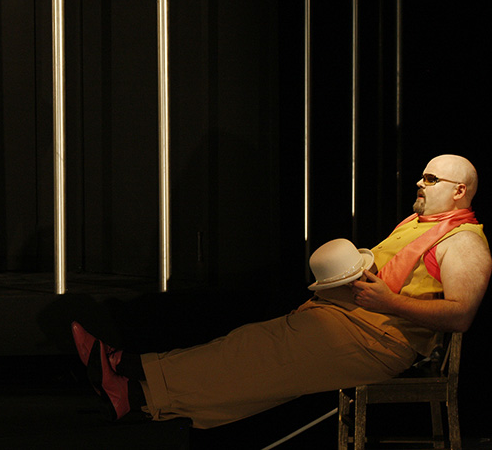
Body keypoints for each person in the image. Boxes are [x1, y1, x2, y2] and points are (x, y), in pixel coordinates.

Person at [72, 154, 490, 427]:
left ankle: (130, 372)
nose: (419, 182)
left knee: (252, 353)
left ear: (459, 190)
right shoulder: (417, 224)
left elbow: (461, 315)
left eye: (431, 178)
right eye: (422, 176)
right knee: (246, 348)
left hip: (377, 341)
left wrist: (388, 301)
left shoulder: (464, 242)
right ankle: (134, 391)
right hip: (348, 321)